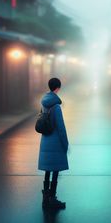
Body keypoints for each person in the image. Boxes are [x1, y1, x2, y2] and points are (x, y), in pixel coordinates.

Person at [38, 77, 69, 210]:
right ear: (57, 88)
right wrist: (65, 144)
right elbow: (61, 128)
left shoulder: (44, 103)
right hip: (55, 142)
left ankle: (45, 198)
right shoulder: (56, 106)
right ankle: (52, 198)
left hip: (45, 141)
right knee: (55, 169)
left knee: (47, 170)